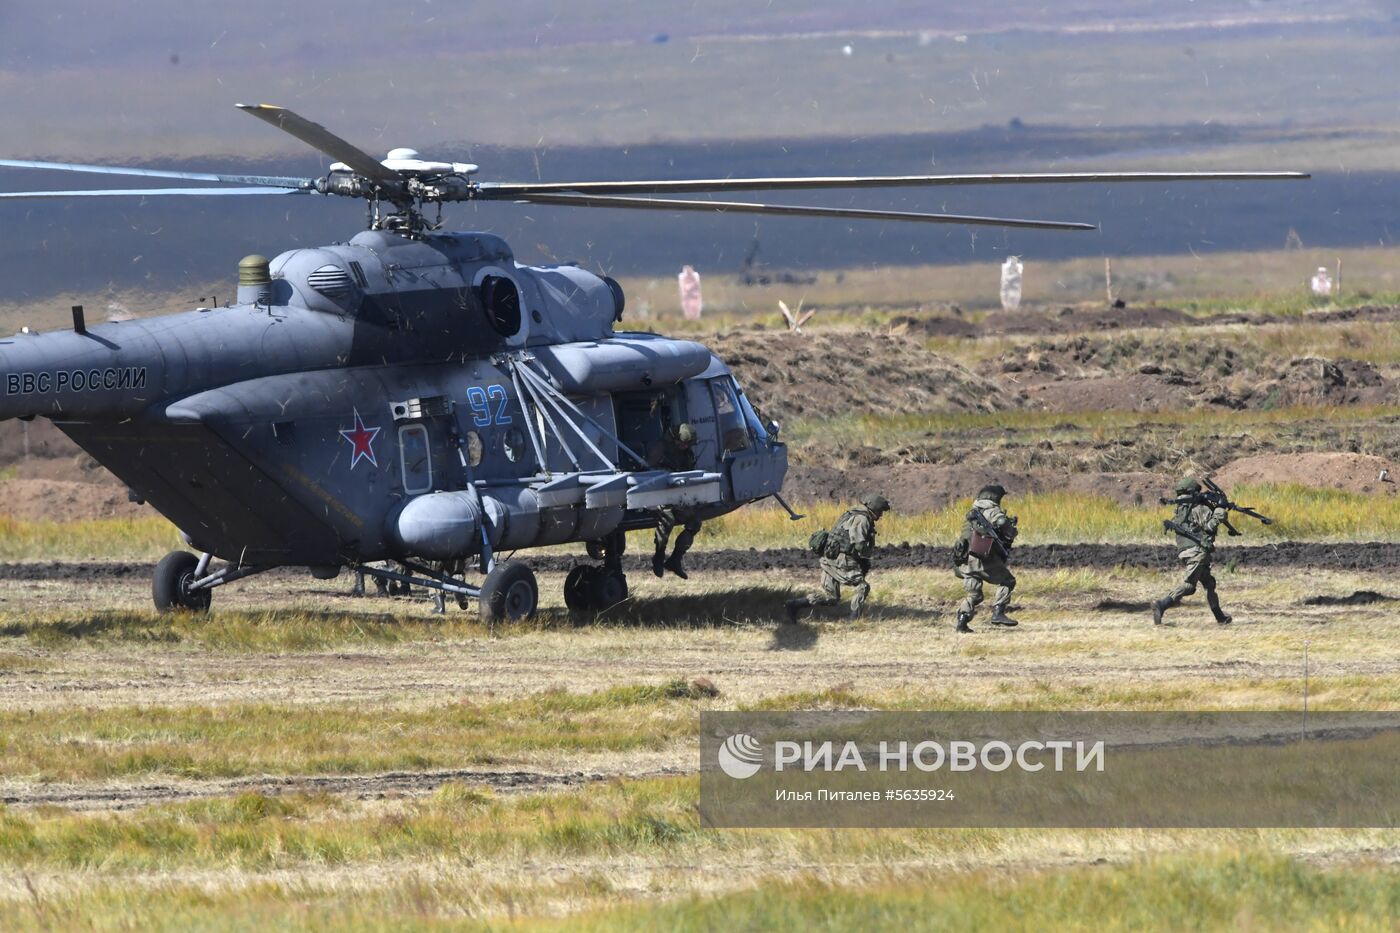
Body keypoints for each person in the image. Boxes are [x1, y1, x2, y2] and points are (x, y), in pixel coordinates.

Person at [785, 493, 890, 622]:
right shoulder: (861, 519)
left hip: (829, 557)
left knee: (831, 597)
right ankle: (854, 618)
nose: (881, 515)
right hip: (841, 559)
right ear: (874, 508)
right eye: (880, 511)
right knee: (863, 587)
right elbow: (859, 545)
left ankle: (794, 605)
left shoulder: (852, 514)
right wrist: (866, 557)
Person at [1153, 477, 1232, 626]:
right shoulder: (1198, 508)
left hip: (1186, 551)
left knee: (1209, 584)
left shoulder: (1180, 509)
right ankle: (1161, 605)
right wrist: (1220, 510)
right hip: (1197, 551)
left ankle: (1220, 617)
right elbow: (1210, 526)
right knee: (1189, 586)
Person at [951, 484, 1019, 633]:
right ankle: (998, 612)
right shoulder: (991, 510)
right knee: (1008, 581)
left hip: (965, 563)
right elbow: (1001, 523)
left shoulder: (973, 513)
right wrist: (1011, 528)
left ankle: (962, 622)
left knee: (975, 594)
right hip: (982, 559)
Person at [649, 422, 702, 579]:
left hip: (679, 495)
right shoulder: (661, 449)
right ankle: (659, 557)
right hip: (659, 493)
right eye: (684, 444)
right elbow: (647, 469)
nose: (686, 447)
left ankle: (675, 559)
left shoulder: (687, 454)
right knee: (668, 519)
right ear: (677, 440)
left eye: (688, 445)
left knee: (695, 522)